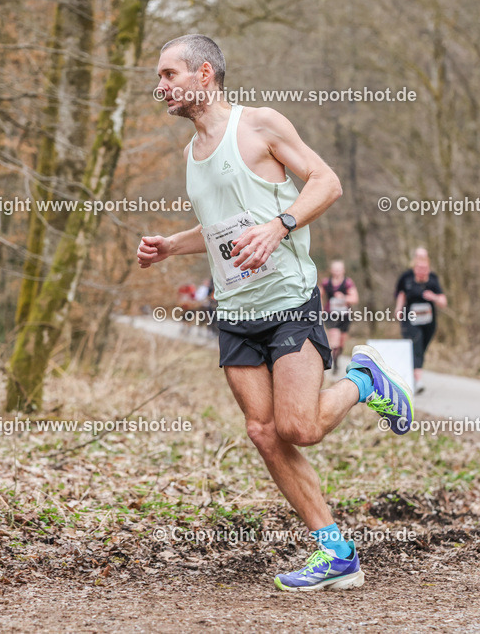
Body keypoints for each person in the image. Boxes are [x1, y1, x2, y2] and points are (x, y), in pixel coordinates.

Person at [137, 34, 413, 592]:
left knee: (298, 428)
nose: (160, 86)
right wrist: (172, 246)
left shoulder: (259, 125)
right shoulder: (191, 155)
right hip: (235, 311)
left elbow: (327, 182)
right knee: (263, 432)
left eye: (169, 74)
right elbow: (219, 230)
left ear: (204, 74)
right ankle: (337, 552)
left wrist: (280, 225)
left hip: (288, 301)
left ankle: (365, 380)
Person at [394, 247, 447, 394]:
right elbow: (401, 294)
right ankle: (418, 381)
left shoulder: (433, 279)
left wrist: (433, 297)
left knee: (421, 349)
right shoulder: (406, 277)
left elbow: (443, 301)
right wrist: (398, 309)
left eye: (425, 268)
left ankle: (411, 374)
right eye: (419, 267)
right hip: (410, 319)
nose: (422, 270)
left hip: (428, 322)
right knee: (416, 344)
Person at [319, 260, 359, 373]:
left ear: (343, 270)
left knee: (341, 342)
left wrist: (343, 298)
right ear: (331, 270)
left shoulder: (347, 283)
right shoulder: (326, 282)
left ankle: (337, 358)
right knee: (334, 339)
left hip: (344, 315)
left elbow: (355, 298)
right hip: (331, 314)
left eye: (339, 269)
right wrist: (321, 307)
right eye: (335, 269)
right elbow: (318, 294)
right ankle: (334, 364)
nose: (337, 272)